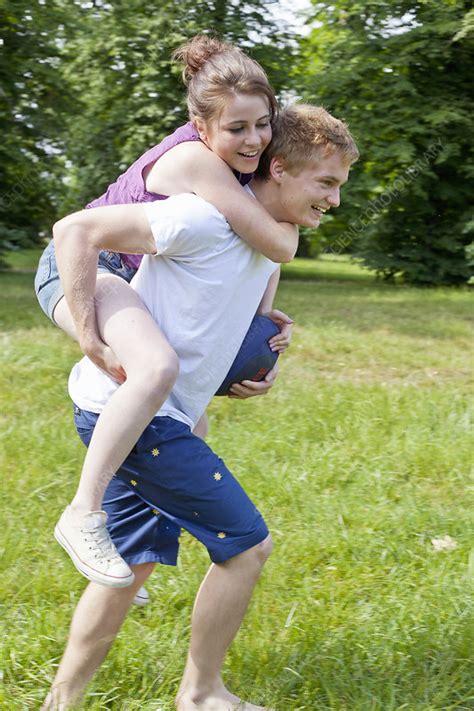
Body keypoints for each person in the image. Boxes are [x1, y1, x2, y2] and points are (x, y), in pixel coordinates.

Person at [41, 103, 359, 711]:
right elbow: (77, 229)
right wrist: (89, 330)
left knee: (128, 566)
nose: (335, 200)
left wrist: (256, 361)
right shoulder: (199, 218)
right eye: (327, 183)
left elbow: (219, 327)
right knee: (247, 547)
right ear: (281, 168)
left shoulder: (268, 245)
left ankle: (60, 701)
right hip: (137, 418)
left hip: (141, 416)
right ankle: (201, 693)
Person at [34, 35, 297, 589]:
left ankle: (127, 560)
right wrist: (89, 334)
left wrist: (259, 331)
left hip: (126, 273)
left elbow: (254, 250)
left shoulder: (238, 165)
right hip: (80, 264)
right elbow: (274, 242)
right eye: (238, 128)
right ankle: (82, 514)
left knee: (181, 421)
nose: (254, 140)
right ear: (202, 127)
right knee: (154, 369)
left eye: (263, 123)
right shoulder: (198, 163)